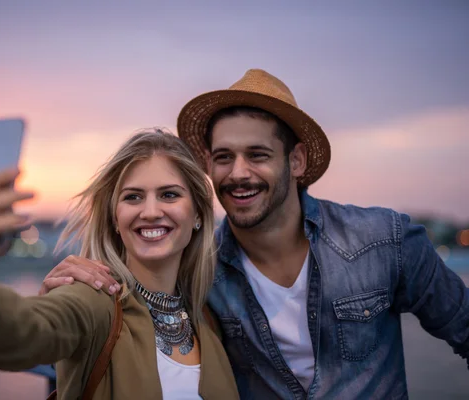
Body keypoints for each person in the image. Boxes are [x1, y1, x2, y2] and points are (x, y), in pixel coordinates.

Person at [40, 69, 469, 399]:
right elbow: (135, 313)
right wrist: (82, 280)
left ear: (296, 161)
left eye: (258, 155)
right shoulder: (199, 270)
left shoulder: (384, 240)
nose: (238, 173)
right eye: (224, 156)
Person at [0, 129, 240, 400]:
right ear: (115, 218)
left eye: (169, 195)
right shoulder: (96, 298)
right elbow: (20, 332)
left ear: (198, 214)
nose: (151, 211)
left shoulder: (207, 319)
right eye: (133, 197)